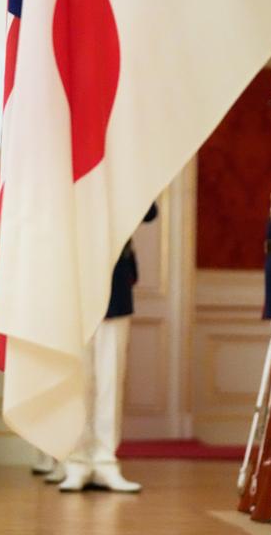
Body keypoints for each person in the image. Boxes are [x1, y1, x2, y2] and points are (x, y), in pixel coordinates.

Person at [58, 204, 158, 494]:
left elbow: (148, 211)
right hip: (75, 280)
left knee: (110, 380)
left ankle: (105, 461)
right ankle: (76, 461)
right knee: (79, 381)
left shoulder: (123, 165)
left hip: (115, 282)